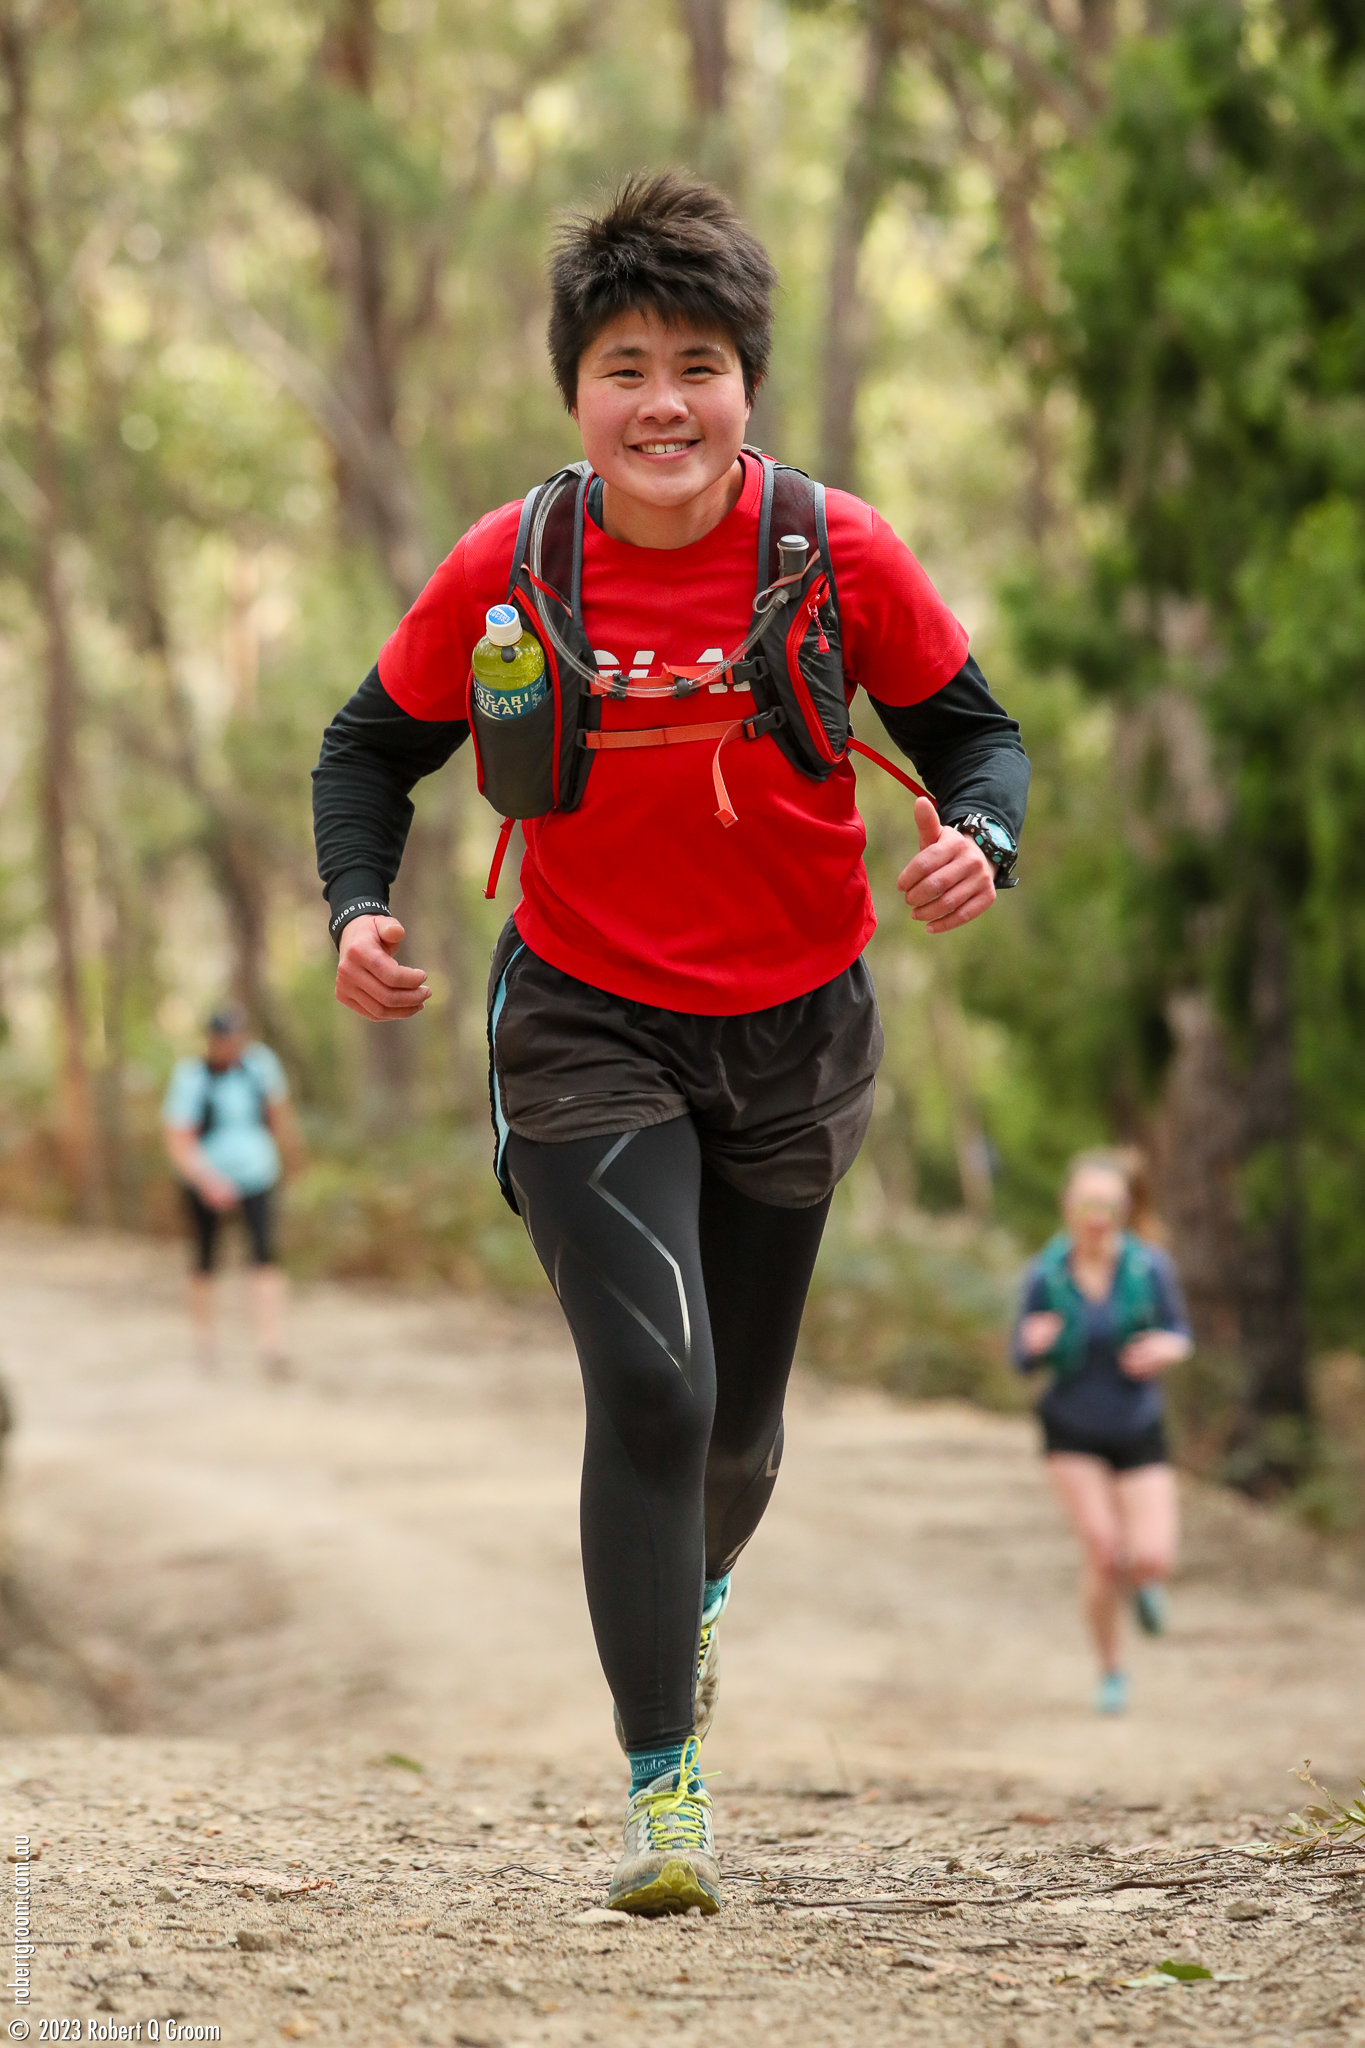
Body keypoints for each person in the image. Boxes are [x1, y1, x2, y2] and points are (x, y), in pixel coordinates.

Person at [312, 170, 1030, 1916]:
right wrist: (356, 910)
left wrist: (977, 840)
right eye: (625, 363)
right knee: (654, 1383)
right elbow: (364, 747)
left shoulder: (833, 550)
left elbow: (975, 734)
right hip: (582, 1016)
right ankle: (665, 1790)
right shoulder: (512, 564)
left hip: (798, 1025)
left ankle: (686, 1595)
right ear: (579, 391)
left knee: (740, 1434)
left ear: (745, 386)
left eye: (695, 363)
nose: (662, 402)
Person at [1013, 1150, 1193, 1715]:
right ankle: (1111, 1670)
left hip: (1138, 1423)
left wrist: (1168, 1347)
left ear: (1125, 1210)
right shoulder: (1045, 1274)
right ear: (1069, 1206)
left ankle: (1147, 1583)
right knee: (1104, 1550)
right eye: (1088, 1204)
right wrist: (1032, 1342)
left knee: (1154, 1555)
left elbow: (1180, 1332)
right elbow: (1020, 1357)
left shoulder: (1150, 1268)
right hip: (1070, 1428)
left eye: (1110, 1206)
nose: (1098, 1216)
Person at [162, 1006, 301, 1376]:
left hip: (258, 1175)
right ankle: (205, 1343)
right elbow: (178, 1138)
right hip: (205, 1179)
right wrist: (206, 1180)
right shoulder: (191, 1077)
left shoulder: (260, 1066)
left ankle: (271, 1344)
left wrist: (286, 1160)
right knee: (205, 1260)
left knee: (265, 1257)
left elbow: (277, 1116)